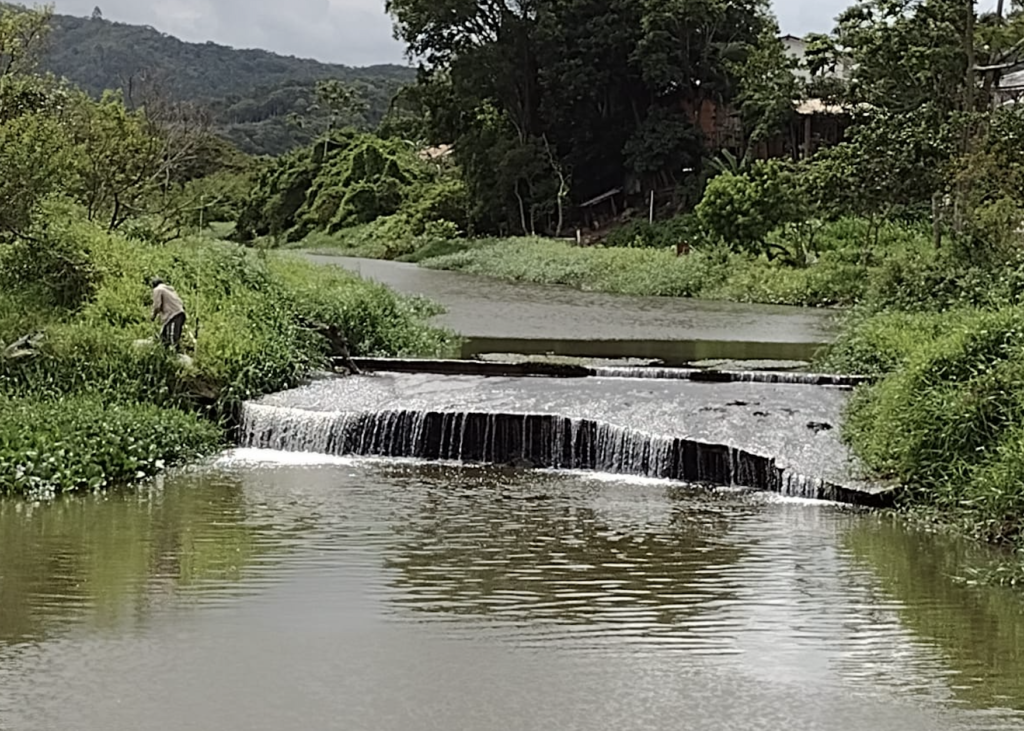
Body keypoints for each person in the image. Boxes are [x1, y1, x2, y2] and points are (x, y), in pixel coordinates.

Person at [150, 277, 186, 351]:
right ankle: (167, 353)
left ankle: (175, 356)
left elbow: (157, 305)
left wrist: (153, 316)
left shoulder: (158, 289)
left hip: (173, 315)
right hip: (179, 313)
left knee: (172, 337)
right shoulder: (170, 290)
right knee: (164, 336)